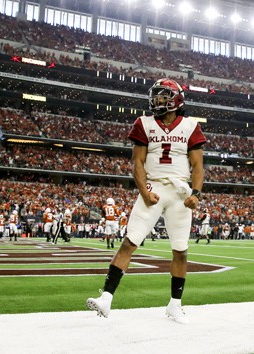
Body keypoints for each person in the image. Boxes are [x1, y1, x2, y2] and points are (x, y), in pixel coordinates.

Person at [86, 78, 206, 324]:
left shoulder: (191, 126)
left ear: (174, 99)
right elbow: (137, 162)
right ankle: (106, 298)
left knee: (181, 251)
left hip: (180, 192)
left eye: (162, 96)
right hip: (152, 187)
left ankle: (175, 305)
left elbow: (198, 165)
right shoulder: (144, 123)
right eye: (156, 96)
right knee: (130, 242)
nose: (157, 100)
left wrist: (196, 194)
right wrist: (143, 191)